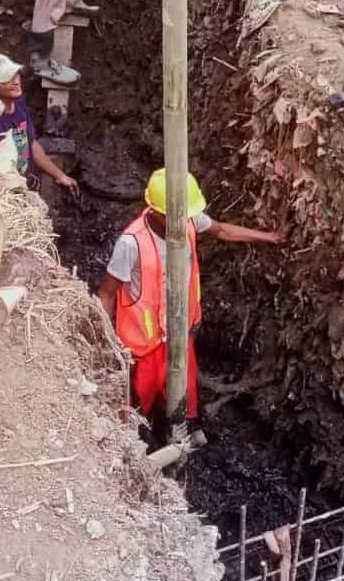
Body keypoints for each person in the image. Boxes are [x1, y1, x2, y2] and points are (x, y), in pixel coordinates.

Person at [98, 169, 282, 438]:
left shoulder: (189, 221)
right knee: (134, 415)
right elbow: (106, 293)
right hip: (144, 348)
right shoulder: (131, 243)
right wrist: (108, 345)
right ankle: (139, 456)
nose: (186, 220)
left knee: (179, 406)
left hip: (181, 338)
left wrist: (270, 237)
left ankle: (177, 437)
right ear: (159, 212)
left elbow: (222, 230)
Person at [0, 53, 78, 194]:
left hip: (25, 187)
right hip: (3, 194)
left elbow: (30, 143)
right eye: (6, 79)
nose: (16, 82)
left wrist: (60, 176)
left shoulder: (18, 103)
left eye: (15, 75)